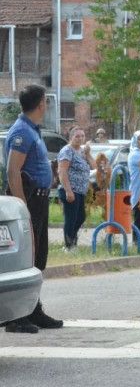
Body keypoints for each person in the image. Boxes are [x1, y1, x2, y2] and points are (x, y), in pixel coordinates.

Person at [4, 84, 63, 333]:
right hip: (28, 200)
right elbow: (13, 171)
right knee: (26, 258)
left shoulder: (32, 130)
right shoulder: (21, 131)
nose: (46, 105)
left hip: (39, 200)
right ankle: (16, 317)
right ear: (40, 104)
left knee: (38, 257)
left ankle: (32, 308)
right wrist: (22, 209)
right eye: (45, 101)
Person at [57, 126, 92, 249]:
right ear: (71, 137)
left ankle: (72, 240)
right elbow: (62, 171)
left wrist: (88, 154)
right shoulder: (67, 151)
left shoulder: (82, 152)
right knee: (71, 218)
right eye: (77, 136)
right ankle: (68, 245)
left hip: (81, 191)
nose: (80, 138)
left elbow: (94, 166)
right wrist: (68, 191)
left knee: (80, 217)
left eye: (82, 136)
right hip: (70, 190)